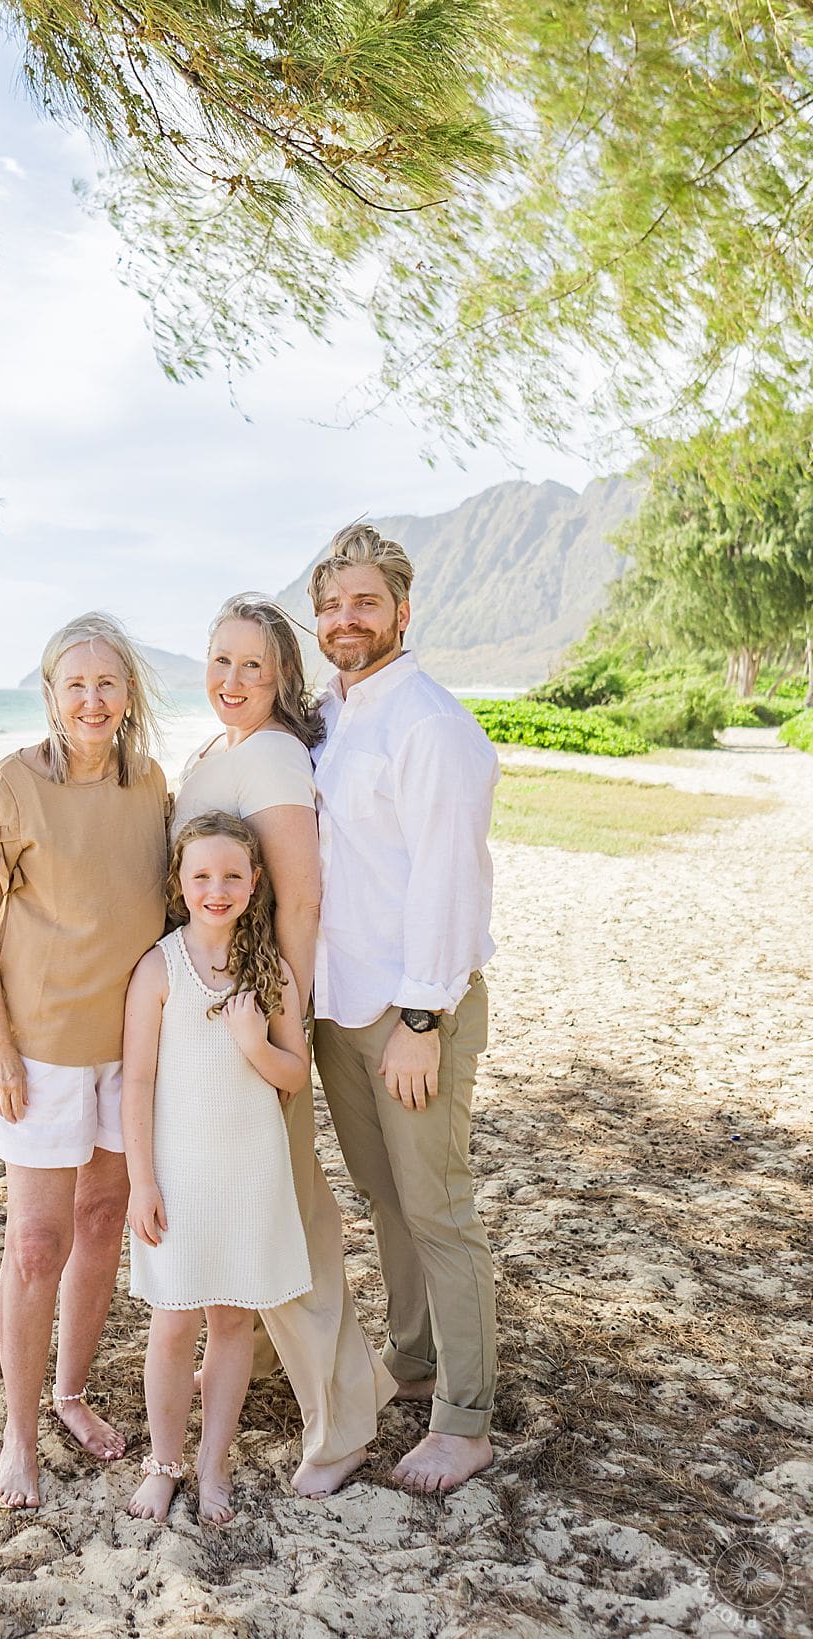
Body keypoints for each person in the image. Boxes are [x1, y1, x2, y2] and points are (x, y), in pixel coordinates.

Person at [172, 595, 395, 1497]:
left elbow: (298, 897)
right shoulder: (211, 753)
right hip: (209, 1017)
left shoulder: (270, 754)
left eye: (253, 667)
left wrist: (282, 1018)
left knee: (287, 1215)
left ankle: (343, 1420)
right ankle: (274, 1362)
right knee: (264, 1201)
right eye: (221, 661)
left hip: (258, 1015)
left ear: (281, 678)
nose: (233, 680)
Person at [0, 612, 168, 1509]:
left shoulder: (150, 784)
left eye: (107, 683)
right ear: (50, 693)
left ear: (128, 694)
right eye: (75, 683)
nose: (92, 699)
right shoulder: (11, 785)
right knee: (37, 1242)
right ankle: (19, 1433)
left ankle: (70, 1394)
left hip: (131, 1051)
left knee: (103, 1218)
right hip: (39, 1052)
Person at [308, 521, 500, 1495]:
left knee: (438, 1209)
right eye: (332, 605)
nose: (347, 619)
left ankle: (465, 1420)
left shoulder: (429, 725)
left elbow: (449, 880)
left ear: (402, 611)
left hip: (411, 1009)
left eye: (365, 602)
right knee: (386, 1198)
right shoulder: (331, 715)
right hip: (339, 1005)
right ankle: (415, 1357)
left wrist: (423, 1021)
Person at [121, 812, 312, 1524]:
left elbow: (294, 1074)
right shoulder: (159, 968)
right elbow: (138, 1082)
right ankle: (163, 1462)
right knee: (172, 1324)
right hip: (178, 1174)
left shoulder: (270, 970)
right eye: (201, 875)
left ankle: (213, 1463)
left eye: (232, 874)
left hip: (248, 1171)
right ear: (179, 882)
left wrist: (254, 1043)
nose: (217, 889)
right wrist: (142, 1180)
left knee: (231, 1320)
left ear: (255, 881)